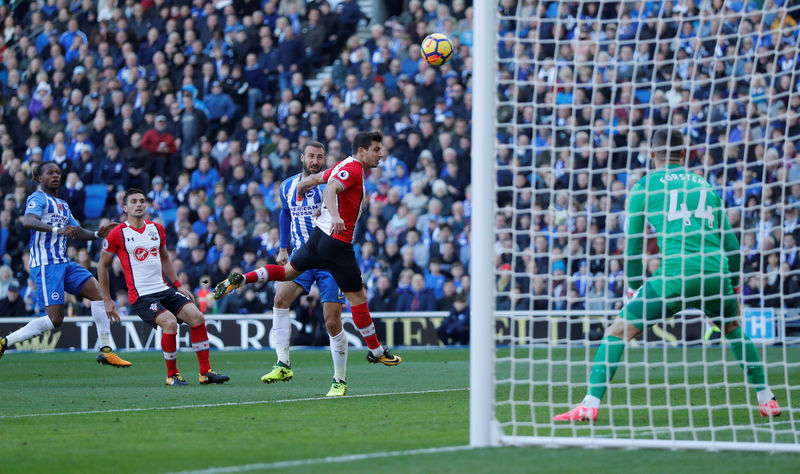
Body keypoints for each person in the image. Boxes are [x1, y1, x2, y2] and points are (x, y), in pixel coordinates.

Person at [554, 129, 781, 422]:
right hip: (716, 274)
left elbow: (633, 245)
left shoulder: (645, 187)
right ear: (684, 155)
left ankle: (589, 404)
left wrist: (634, 288)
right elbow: (734, 248)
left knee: (617, 332)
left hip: (674, 276)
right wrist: (734, 288)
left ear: (651, 155)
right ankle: (767, 399)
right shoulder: (705, 186)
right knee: (734, 329)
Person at [214, 130, 402, 369]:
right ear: (362, 151)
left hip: (315, 240)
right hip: (336, 243)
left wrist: (312, 197)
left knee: (285, 273)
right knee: (358, 298)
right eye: (376, 150)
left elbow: (318, 180)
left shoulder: (341, 165)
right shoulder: (353, 169)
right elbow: (332, 188)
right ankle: (375, 350)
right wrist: (333, 214)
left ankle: (242, 279)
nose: (381, 154)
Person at [0, 162, 131, 367]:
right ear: (39, 178)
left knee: (98, 293)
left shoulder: (63, 205)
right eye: (50, 173)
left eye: (58, 173)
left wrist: (98, 233)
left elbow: (77, 231)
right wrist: (56, 230)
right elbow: (28, 220)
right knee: (55, 320)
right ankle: (5, 342)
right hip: (46, 264)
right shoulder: (37, 198)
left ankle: (105, 349)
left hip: (64, 262)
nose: (55, 176)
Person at [97, 189, 229, 386]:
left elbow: (165, 257)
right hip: (141, 295)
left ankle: (205, 372)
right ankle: (172, 374)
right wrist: (107, 300)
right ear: (125, 208)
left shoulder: (156, 229)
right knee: (169, 322)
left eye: (142, 201)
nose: (139, 204)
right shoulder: (118, 234)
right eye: (133, 201)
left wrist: (177, 284)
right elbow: (102, 265)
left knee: (197, 316)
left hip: (164, 288)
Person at [258, 140, 349, 397]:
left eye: (320, 157)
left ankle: (339, 380)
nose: (315, 161)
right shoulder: (287, 186)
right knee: (280, 298)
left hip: (330, 259)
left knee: (332, 321)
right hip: (302, 256)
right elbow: (285, 214)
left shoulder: (332, 186)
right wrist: (283, 247)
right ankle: (283, 364)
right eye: (311, 156)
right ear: (302, 157)